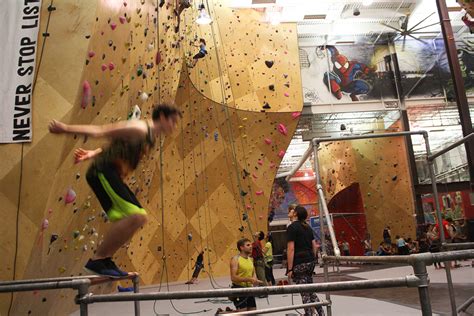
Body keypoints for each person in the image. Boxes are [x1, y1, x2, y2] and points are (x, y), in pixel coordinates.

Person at [49, 104, 181, 277]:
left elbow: (115, 144)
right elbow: (102, 131)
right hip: (102, 171)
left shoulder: (150, 137)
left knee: (138, 218)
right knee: (136, 216)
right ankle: (98, 260)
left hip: (111, 174)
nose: (174, 126)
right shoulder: (139, 128)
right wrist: (66, 128)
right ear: (162, 117)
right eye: (173, 121)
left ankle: (104, 260)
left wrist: (92, 153)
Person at [287, 205, 325, 316]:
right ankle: (321, 313)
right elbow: (315, 246)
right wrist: (313, 259)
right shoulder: (307, 227)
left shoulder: (292, 227)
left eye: (292, 210)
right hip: (309, 262)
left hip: (300, 263)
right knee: (310, 291)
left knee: (304, 293)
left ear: (295, 214)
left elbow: (291, 248)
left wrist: (290, 269)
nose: (290, 211)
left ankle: (308, 314)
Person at [229, 238, 263, 312]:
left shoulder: (250, 259)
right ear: (241, 247)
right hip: (239, 288)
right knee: (243, 313)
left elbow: (253, 272)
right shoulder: (235, 259)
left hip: (249, 289)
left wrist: (255, 280)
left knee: (253, 312)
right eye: (248, 245)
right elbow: (233, 278)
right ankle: (222, 313)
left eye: (251, 244)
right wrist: (249, 279)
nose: (251, 246)